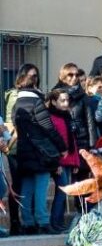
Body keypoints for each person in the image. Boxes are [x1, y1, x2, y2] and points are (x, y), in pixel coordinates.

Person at [13, 70, 67, 235]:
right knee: (41, 187)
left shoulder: (16, 104)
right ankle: (43, 222)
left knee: (27, 187)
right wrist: (61, 147)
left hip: (24, 150)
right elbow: (48, 128)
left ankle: (28, 222)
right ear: (35, 84)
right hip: (40, 152)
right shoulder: (36, 103)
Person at [5, 64, 41, 235]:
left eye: (35, 76)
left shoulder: (38, 94)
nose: (33, 79)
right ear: (21, 77)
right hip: (16, 148)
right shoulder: (16, 95)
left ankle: (29, 221)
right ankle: (15, 222)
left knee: (30, 185)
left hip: (32, 148)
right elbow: (13, 121)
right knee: (17, 187)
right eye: (30, 76)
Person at [51, 63, 96, 171]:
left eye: (76, 74)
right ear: (63, 76)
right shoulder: (54, 94)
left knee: (81, 179)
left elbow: (90, 122)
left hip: (81, 140)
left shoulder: (83, 96)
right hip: (62, 141)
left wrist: (92, 146)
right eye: (70, 75)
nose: (74, 77)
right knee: (63, 182)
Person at [46, 89, 80, 232]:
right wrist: (56, 163)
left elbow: (72, 140)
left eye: (67, 100)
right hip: (58, 161)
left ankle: (58, 222)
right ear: (54, 102)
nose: (66, 103)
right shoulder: (50, 118)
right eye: (62, 100)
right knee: (62, 190)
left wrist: (76, 161)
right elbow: (52, 142)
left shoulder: (67, 116)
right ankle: (55, 223)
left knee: (64, 191)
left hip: (68, 160)